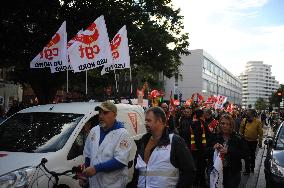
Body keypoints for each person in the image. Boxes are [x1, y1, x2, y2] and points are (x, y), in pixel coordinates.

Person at [131, 107, 196, 188]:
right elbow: (137, 172)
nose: (145, 123)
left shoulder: (175, 141)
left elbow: (189, 172)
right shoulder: (143, 142)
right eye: (145, 120)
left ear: (160, 121)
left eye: (149, 120)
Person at [83, 101, 132, 188]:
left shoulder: (122, 133)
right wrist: (85, 175)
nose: (101, 116)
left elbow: (120, 161)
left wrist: (96, 169)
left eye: (105, 113)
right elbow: (88, 155)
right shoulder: (94, 130)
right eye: (100, 113)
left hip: (113, 184)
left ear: (114, 115)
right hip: (94, 183)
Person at [205, 114, 249, 188]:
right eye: (222, 123)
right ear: (219, 124)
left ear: (232, 125)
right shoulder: (213, 136)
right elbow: (205, 153)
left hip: (232, 173)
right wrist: (213, 148)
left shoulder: (238, 138)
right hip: (215, 171)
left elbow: (245, 154)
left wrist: (228, 151)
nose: (225, 126)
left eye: (228, 124)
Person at [239, 109, 263, 175]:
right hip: (245, 141)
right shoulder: (244, 120)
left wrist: (260, 142)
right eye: (247, 115)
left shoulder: (258, 122)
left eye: (248, 115)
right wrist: (240, 135)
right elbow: (241, 129)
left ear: (253, 115)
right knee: (246, 156)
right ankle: (247, 170)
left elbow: (260, 133)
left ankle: (252, 168)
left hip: (253, 142)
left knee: (252, 155)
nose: (247, 116)